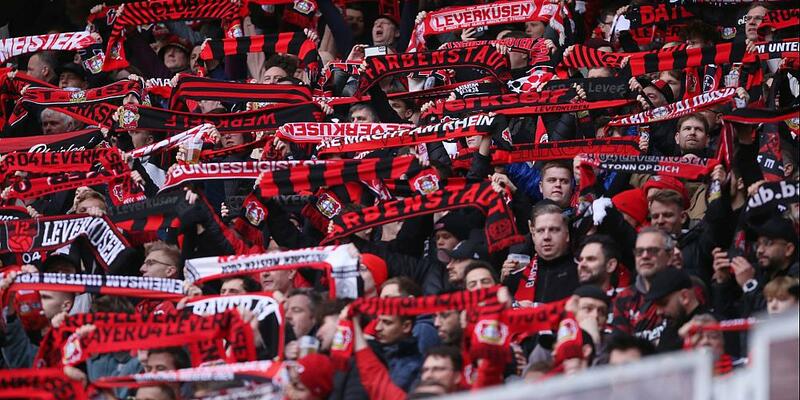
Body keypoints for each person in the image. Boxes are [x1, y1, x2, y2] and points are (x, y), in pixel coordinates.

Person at [611, 227, 674, 344]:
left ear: (670, 256)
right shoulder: (623, 298)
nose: (645, 256)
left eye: (653, 250)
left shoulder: (685, 290)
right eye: (639, 251)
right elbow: (620, 349)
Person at [645, 267, 707, 352]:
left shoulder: (712, 328)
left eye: (663, 303)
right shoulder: (668, 331)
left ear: (685, 296)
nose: (658, 312)